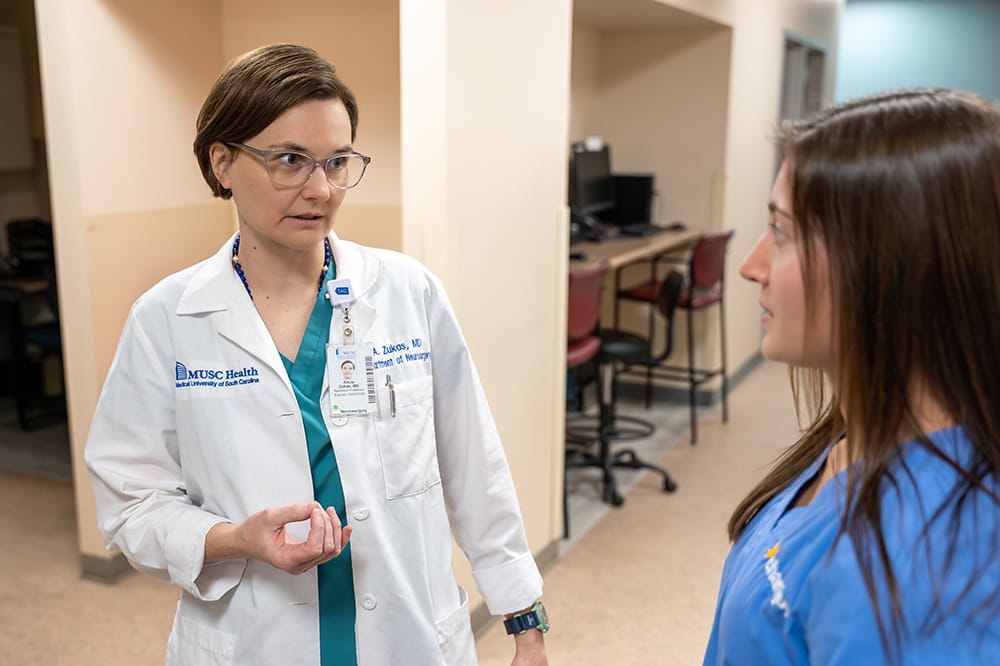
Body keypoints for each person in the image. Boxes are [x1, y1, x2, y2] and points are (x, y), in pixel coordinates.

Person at [85, 43, 548, 666]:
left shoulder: (408, 293)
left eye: (336, 161)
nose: (322, 189)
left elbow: (475, 469)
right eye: (290, 160)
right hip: (253, 640)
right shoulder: (166, 319)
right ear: (222, 161)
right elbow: (131, 502)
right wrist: (232, 539)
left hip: (409, 635)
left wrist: (525, 621)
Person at [703, 88, 1000, 665]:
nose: (751, 266)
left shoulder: (925, 569)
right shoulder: (858, 436)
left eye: (782, 233)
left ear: (897, 269)